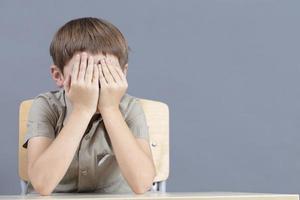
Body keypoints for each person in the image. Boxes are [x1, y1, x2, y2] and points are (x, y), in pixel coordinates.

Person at [22, 17, 156, 196]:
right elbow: (42, 184)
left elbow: (142, 184)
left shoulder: (130, 108)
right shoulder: (46, 105)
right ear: (58, 75)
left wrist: (110, 109)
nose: (94, 80)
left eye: (104, 70)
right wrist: (82, 110)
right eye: (83, 71)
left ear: (123, 74)